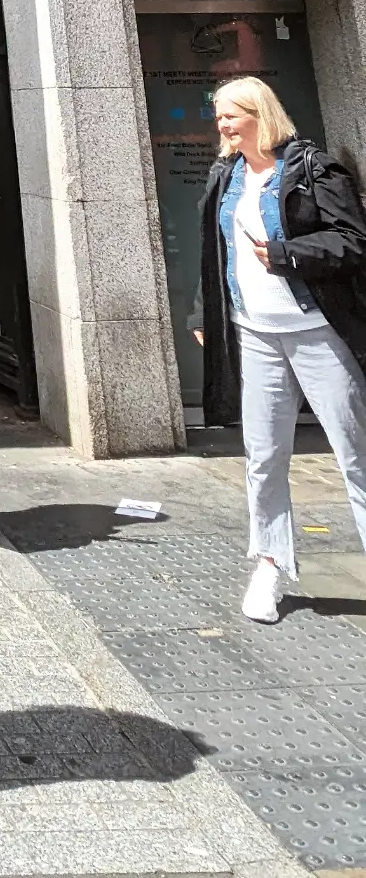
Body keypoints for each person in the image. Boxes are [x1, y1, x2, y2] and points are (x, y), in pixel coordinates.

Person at [198, 75, 366, 624]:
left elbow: (353, 241)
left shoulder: (313, 168)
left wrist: (290, 254)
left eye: (231, 114)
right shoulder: (227, 174)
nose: (222, 124)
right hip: (255, 331)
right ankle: (269, 564)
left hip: (316, 329)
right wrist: (207, 312)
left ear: (258, 113)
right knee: (264, 459)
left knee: (355, 452)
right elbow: (216, 249)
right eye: (219, 115)